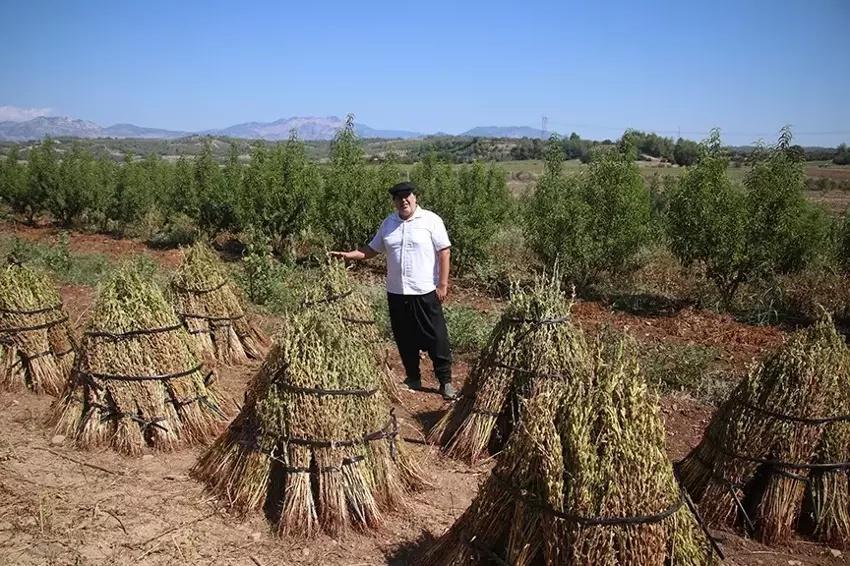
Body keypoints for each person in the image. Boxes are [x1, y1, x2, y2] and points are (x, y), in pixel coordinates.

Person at [330, 181, 456, 400]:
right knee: (404, 336)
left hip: (425, 290)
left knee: (436, 336)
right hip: (397, 292)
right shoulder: (389, 224)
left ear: (415, 197)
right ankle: (413, 377)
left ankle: (445, 381)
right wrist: (348, 255)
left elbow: (444, 251)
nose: (403, 200)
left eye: (407, 196)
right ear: (394, 201)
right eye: (399, 198)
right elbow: (371, 250)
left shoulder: (431, 221)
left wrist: (443, 285)